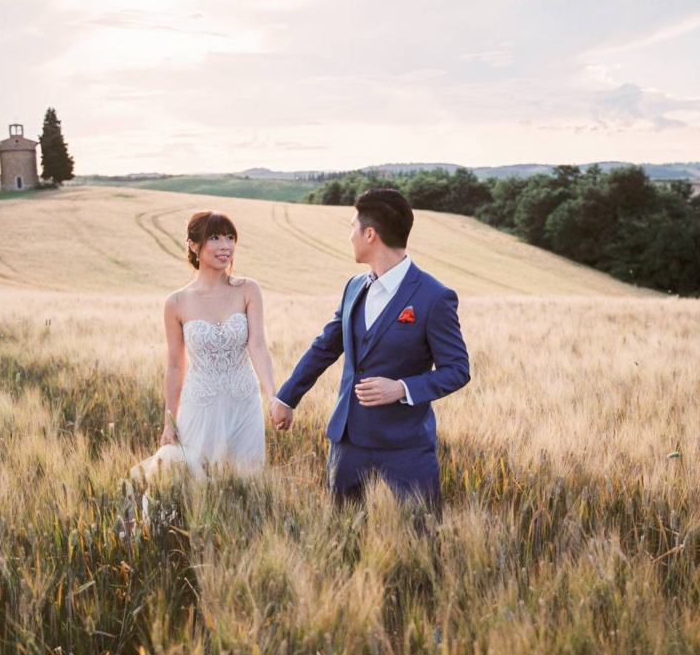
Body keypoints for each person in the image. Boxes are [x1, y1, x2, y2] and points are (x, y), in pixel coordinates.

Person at [271, 188, 470, 509]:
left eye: (352, 228)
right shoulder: (353, 286)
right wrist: (287, 397)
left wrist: (402, 388)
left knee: (419, 539)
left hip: (405, 449)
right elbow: (325, 347)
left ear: (370, 234)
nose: (349, 236)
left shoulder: (435, 297)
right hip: (347, 443)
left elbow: (458, 370)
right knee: (342, 538)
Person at [154, 209, 278, 476]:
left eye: (230, 237)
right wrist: (169, 422)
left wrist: (273, 397)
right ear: (193, 245)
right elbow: (176, 365)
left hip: (244, 404)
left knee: (247, 485)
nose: (225, 246)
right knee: (198, 486)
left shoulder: (248, 289)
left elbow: (258, 345)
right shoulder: (176, 302)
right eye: (215, 238)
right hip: (200, 407)